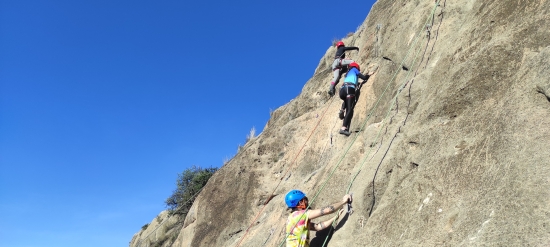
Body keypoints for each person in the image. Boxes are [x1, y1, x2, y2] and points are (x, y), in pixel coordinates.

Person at [284, 190, 352, 247]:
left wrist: (335, 217)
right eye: (305, 199)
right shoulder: (300, 214)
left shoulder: (293, 218)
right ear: (300, 202)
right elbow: (328, 210)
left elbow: (317, 227)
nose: (307, 202)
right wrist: (344, 201)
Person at [338, 62, 372, 136]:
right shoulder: (354, 69)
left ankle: (342, 109)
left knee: (346, 100)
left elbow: (354, 80)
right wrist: (368, 75)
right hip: (349, 89)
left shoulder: (348, 73)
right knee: (350, 109)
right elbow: (363, 77)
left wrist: (357, 83)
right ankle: (343, 128)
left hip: (342, 90)